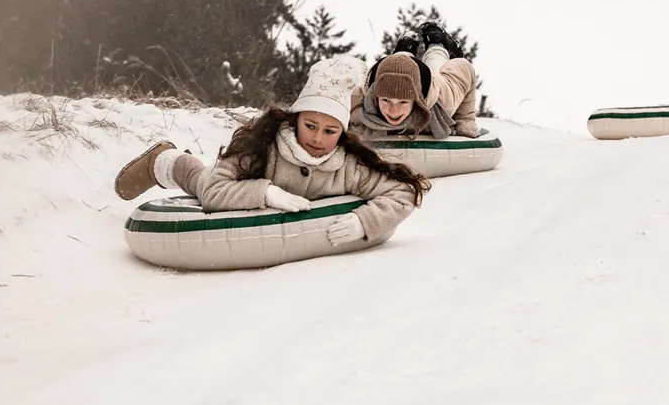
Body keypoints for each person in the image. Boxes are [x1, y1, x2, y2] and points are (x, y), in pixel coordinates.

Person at [112, 56, 430, 249]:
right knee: (198, 180)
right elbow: (213, 191)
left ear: (342, 134)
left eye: (330, 131)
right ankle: (164, 160)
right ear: (296, 119)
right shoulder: (262, 147)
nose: (318, 138)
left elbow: (402, 192)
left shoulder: (348, 165)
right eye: (310, 125)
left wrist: (366, 222)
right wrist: (266, 193)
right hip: (241, 182)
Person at [351, 20, 483, 139]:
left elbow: (466, 68)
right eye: (386, 100)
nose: (393, 110)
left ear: (416, 100)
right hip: (384, 71)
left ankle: (437, 42)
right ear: (375, 97)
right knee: (399, 60)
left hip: (427, 79)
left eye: (402, 102)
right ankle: (405, 46)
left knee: (436, 62)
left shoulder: (443, 99)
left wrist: (465, 119)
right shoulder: (357, 103)